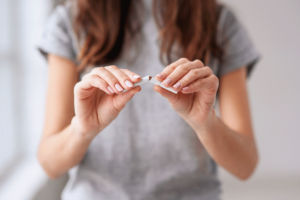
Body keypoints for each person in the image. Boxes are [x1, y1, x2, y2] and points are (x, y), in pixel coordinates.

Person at [37, 0, 260, 199]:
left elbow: (245, 165)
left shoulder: (220, 22)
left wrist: (206, 123)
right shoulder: (70, 20)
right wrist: (82, 130)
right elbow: (50, 164)